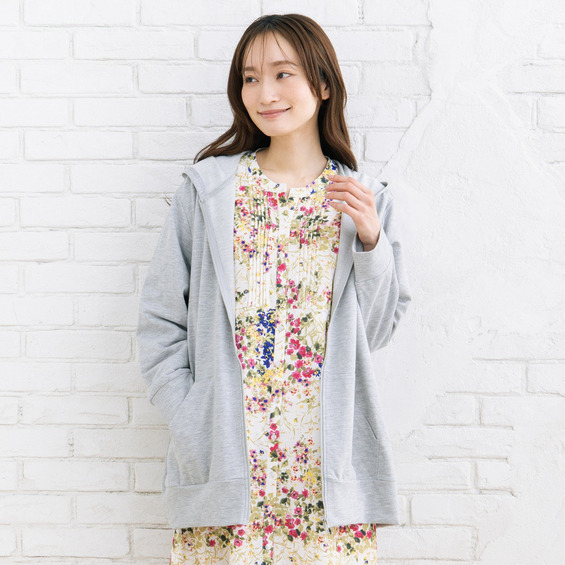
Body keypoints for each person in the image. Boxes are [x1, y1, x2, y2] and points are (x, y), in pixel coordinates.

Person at [137, 13, 412, 564]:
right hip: (227, 473)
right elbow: (160, 321)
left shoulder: (364, 199)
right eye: (250, 78)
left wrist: (371, 242)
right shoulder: (208, 192)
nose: (264, 93)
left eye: (283, 74)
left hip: (325, 481)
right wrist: (193, 416)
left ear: (323, 83)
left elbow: (376, 333)